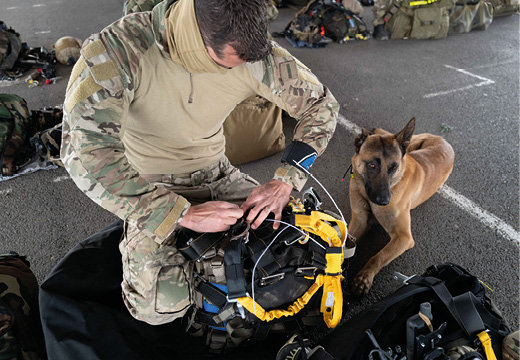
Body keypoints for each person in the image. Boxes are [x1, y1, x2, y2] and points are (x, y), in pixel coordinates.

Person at [61, 0, 339, 326]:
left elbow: (320, 105)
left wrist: (286, 179)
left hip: (217, 174)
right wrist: (179, 214)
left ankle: (209, 274)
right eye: (231, 64)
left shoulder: (248, 50)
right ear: (203, 44)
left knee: (301, 244)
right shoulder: (120, 50)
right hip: (150, 186)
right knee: (160, 306)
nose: (245, 71)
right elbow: (83, 154)